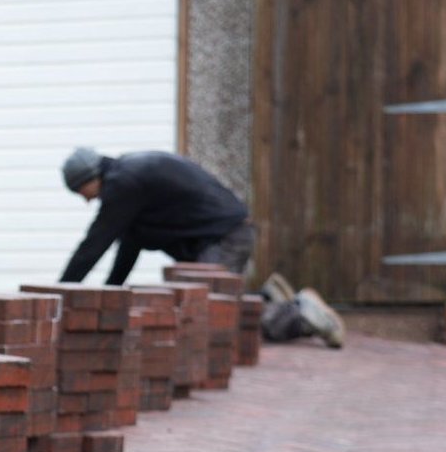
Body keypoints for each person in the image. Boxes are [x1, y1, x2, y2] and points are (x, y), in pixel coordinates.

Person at [57, 147, 344, 347]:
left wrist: (59, 296)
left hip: (225, 237)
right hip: (220, 236)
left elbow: (93, 246)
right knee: (207, 312)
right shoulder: (129, 178)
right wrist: (111, 294)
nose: (85, 200)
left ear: (90, 178)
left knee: (214, 321)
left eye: (80, 191)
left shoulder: (123, 183)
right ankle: (267, 298)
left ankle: (299, 316)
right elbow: (129, 245)